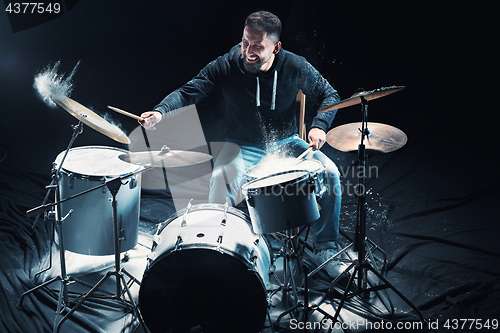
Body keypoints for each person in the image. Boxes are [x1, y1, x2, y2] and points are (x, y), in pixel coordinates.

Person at [140, 11, 343, 277]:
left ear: (276, 47)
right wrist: (161, 111)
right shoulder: (226, 64)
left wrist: (319, 126)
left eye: (257, 46)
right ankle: (215, 251)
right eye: (245, 42)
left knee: (330, 173)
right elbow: (189, 91)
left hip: (287, 144)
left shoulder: (295, 66)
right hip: (241, 145)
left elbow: (330, 94)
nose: (248, 51)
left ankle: (325, 248)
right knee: (221, 178)